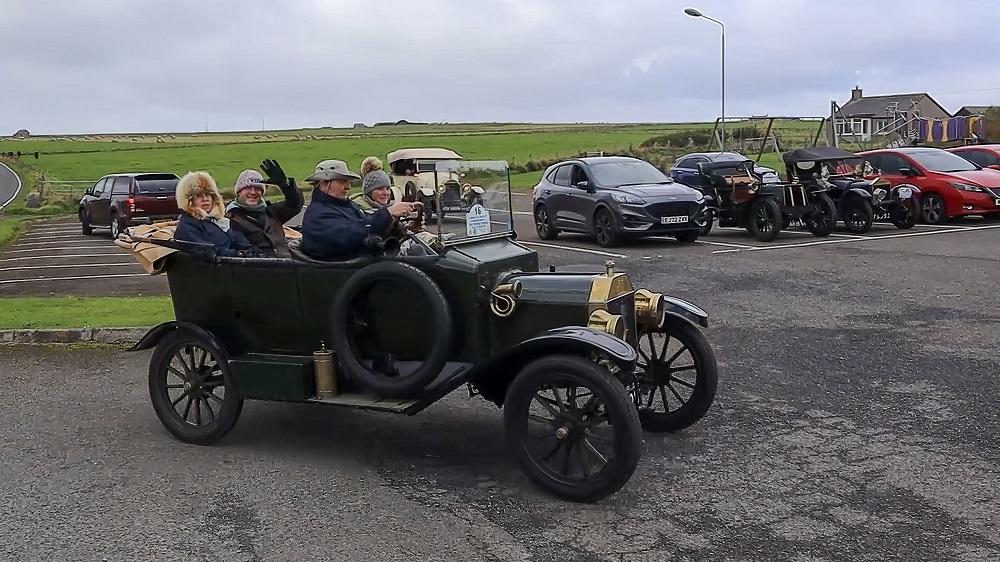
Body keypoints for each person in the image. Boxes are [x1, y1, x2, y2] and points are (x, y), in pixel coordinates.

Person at [299, 159, 415, 260]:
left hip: (363, 265)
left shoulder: (344, 205)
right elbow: (351, 235)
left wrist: (394, 226)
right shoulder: (317, 215)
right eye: (342, 181)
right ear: (323, 183)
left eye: (348, 181)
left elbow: (365, 222)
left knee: (418, 249)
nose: (348, 186)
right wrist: (387, 213)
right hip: (348, 272)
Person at [225, 159, 304, 258]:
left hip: (287, 263)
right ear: (239, 192)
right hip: (259, 268)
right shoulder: (232, 218)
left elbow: (295, 204)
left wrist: (285, 185)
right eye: (248, 188)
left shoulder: (271, 211)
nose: (253, 192)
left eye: (258, 188)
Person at [174, 171, 261, 257]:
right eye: (198, 195)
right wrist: (237, 254)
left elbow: (241, 243)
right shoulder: (187, 225)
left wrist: (255, 253)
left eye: (208, 194)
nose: (205, 199)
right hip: (213, 268)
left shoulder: (223, 222)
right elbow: (205, 250)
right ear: (189, 200)